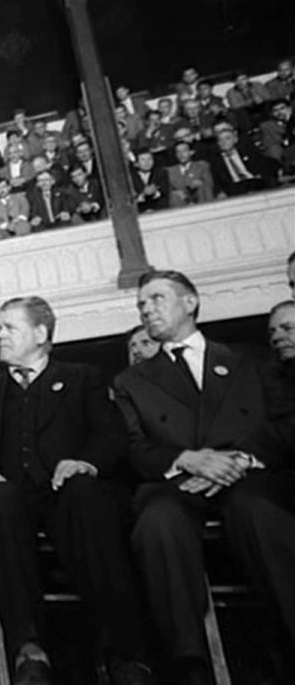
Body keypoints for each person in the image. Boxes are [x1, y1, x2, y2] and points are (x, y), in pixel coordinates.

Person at [113, 270, 295, 685]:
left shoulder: (249, 360)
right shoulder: (131, 381)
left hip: (248, 475)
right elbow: (135, 448)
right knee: (158, 522)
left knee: (258, 511)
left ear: (190, 302)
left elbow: (285, 424)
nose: (146, 309)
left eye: (157, 299)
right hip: (179, 481)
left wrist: (240, 459)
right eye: (142, 304)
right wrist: (188, 459)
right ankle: (189, 662)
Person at [0, 297, 154, 685]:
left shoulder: (83, 377)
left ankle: (124, 653)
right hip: (13, 497)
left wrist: (85, 462)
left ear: (40, 334)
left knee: (85, 494)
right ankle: (29, 651)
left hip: (69, 494)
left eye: (8, 327)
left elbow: (110, 435)